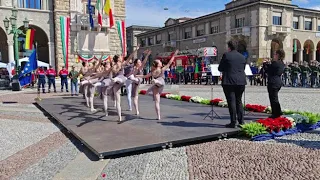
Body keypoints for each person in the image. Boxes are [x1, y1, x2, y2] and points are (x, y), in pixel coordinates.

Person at [137, 49, 179, 120]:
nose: (161, 62)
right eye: (160, 62)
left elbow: (145, 76)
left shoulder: (153, 72)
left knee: (157, 102)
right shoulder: (161, 69)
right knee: (159, 83)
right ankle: (156, 81)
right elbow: (169, 62)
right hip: (160, 83)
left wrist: (137, 76)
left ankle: (158, 116)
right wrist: (174, 55)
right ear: (158, 65)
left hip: (155, 86)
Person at [218, 40, 247, 128]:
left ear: (229, 47)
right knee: (239, 101)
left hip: (229, 82)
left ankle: (233, 122)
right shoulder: (242, 57)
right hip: (241, 82)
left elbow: (220, 68)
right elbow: (243, 68)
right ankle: (241, 121)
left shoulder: (226, 55)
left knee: (231, 102)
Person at [127, 50, 151, 115]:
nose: (140, 63)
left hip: (137, 81)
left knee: (135, 97)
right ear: (136, 63)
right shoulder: (137, 68)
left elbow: (143, 61)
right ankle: (137, 110)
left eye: (140, 62)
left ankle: (137, 110)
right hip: (135, 82)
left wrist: (146, 55)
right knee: (135, 98)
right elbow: (143, 62)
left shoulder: (138, 68)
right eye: (139, 62)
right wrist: (147, 55)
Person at [266, 49, 285, 119]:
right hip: (278, 81)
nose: (273, 56)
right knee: (275, 98)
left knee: (273, 98)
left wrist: (265, 64)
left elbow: (268, 71)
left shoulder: (275, 63)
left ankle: (275, 113)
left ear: (278, 55)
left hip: (273, 82)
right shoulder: (281, 63)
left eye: (275, 54)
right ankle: (278, 111)